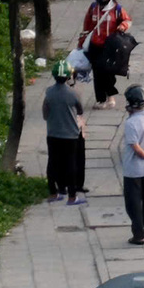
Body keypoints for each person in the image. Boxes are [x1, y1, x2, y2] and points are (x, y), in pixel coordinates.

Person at [76, 0, 134, 107]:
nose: (100, 1)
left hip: (110, 46)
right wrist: (82, 40)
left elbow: (127, 20)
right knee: (98, 73)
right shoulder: (93, 8)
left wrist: (122, 26)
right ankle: (101, 99)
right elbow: (87, 26)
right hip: (95, 45)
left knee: (108, 72)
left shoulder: (117, 9)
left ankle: (110, 96)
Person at [118, 86, 144, 244]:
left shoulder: (131, 123)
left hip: (133, 169)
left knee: (133, 203)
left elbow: (135, 147)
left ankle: (138, 234)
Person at [43, 63, 87, 204]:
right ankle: (72, 196)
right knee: (71, 164)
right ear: (68, 76)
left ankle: (53, 193)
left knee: (52, 163)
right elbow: (80, 110)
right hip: (71, 135)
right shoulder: (74, 93)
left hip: (53, 133)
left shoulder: (49, 92)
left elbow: (45, 113)